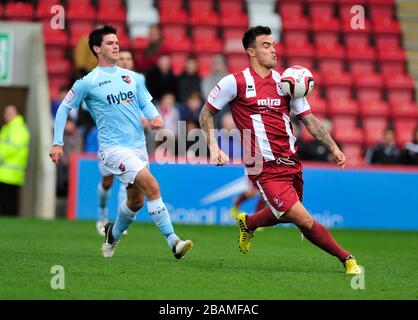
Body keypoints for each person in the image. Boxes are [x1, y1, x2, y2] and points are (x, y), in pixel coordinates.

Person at [199, 26, 361, 275]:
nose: (273, 49)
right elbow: (206, 113)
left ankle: (249, 223)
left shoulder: (287, 82)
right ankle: (347, 259)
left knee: (285, 214)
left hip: (291, 161)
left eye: (273, 44)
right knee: (304, 219)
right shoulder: (235, 82)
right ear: (251, 52)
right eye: (266, 45)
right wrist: (213, 146)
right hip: (263, 165)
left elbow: (308, 119)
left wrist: (333, 147)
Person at [49, 25, 193, 259]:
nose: (116, 45)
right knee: (153, 187)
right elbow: (64, 108)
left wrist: (154, 115)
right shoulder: (88, 82)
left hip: (137, 147)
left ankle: (112, 236)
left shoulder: (132, 77)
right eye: (109, 43)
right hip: (114, 149)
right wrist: (58, 143)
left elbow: (145, 102)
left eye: (117, 42)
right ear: (97, 48)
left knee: (134, 202)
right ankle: (174, 242)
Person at [95, 50, 146, 236]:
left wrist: (148, 118)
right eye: (121, 58)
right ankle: (101, 214)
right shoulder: (105, 78)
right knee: (107, 182)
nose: (125, 62)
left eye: (128, 58)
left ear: (132, 62)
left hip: (132, 140)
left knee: (128, 181)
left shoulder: (138, 79)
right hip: (110, 140)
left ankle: (117, 223)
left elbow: (141, 104)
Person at [0, 105, 31, 216]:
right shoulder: (7, 128)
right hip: (4, 173)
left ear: (16, 114)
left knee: (9, 203)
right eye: (6, 113)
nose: (7, 116)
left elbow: (11, 148)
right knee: (5, 202)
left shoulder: (19, 129)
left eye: (10, 114)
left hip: (12, 173)